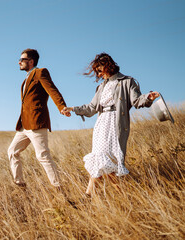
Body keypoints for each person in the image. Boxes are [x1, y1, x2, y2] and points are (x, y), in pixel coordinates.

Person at [63, 53, 159, 196]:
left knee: (107, 161)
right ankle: (94, 197)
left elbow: (137, 101)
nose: (98, 74)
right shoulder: (102, 86)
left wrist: (148, 97)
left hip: (116, 123)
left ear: (108, 65)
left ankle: (91, 197)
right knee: (100, 161)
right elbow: (91, 108)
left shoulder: (127, 81)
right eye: (96, 71)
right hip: (102, 124)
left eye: (100, 70)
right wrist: (73, 109)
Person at [8, 48, 70, 189]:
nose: (19, 62)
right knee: (12, 151)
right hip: (24, 124)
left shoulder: (40, 72)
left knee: (42, 155)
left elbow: (52, 90)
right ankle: (20, 184)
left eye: (22, 60)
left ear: (31, 61)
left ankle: (58, 187)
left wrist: (62, 106)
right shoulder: (26, 78)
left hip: (36, 122)